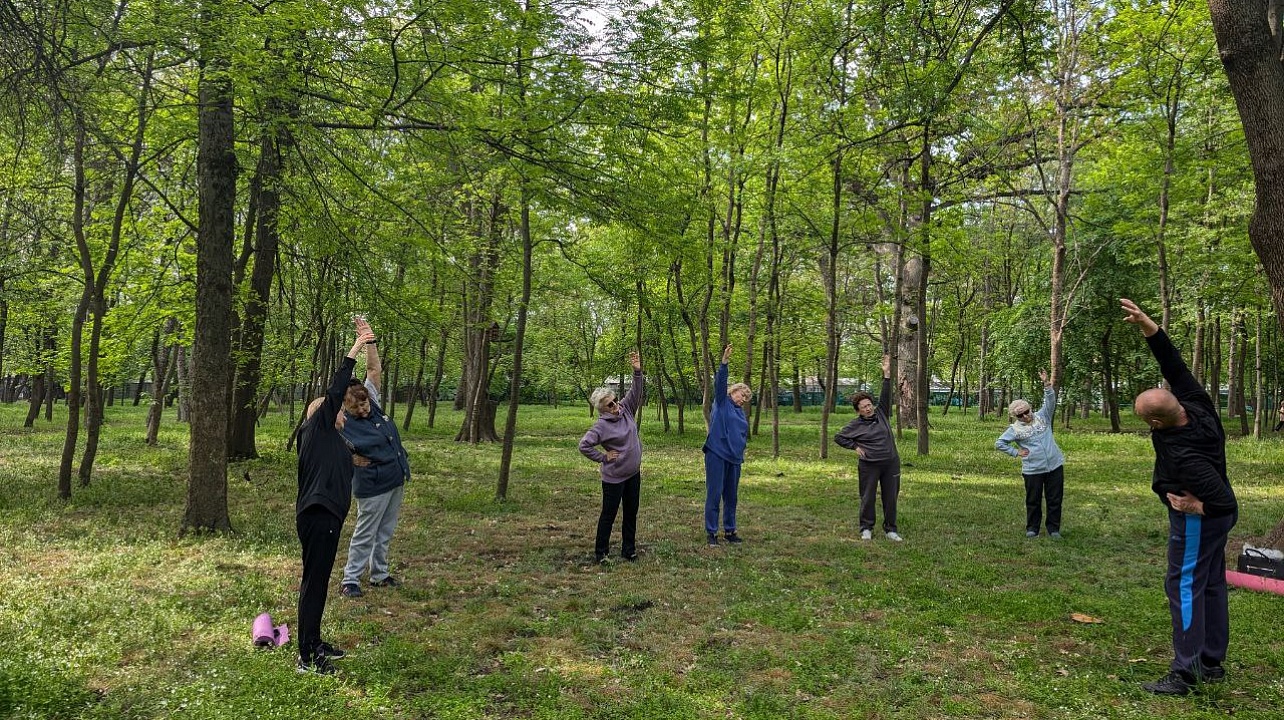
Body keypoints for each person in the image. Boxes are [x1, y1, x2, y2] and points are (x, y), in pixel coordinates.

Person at [1121, 298, 1239, 696]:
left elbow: (1225, 502)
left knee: (1184, 584)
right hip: (1208, 518)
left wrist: (1198, 506)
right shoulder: (1199, 405)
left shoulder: (1184, 455)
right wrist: (1149, 327)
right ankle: (1210, 661)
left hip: (1198, 519)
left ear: (1156, 421)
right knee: (1210, 584)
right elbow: (1175, 367)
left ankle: (1184, 672)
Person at [295, 325, 375, 675]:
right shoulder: (318, 427)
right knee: (314, 584)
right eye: (336, 410)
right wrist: (357, 346)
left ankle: (313, 642)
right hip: (319, 514)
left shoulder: (325, 440)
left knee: (318, 582)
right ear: (324, 415)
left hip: (323, 516)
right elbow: (336, 388)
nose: (343, 412)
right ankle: (307, 656)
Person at [340, 317, 412, 598]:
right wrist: (349, 460)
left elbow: (374, 369)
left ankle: (379, 574)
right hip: (371, 485)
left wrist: (369, 340)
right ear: (344, 404)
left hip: (394, 477)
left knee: (386, 530)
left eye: (365, 401)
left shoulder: (373, 403)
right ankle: (350, 580)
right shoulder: (339, 419)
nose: (363, 407)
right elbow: (320, 437)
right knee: (365, 531)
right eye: (356, 405)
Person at [578, 351, 645, 563]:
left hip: (633, 474)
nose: (615, 406)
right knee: (609, 515)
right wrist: (603, 457)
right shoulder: (601, 427)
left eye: (615, 400)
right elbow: (584, 445)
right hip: (614, 478)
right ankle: (601, 553)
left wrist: (637, 371)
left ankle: (629, 549)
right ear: (602, 409)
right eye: (610, 404)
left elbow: (636, 391)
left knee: (631, 513)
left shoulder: (626, 410)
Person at [834, 354, 903, 541]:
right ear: (858, 410)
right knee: (867, 497)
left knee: (890, 498)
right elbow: (838, 437)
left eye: (869, 404)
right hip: (869, 465)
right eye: (864, 407)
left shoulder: (881, 413)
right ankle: (866, 528)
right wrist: (854, 446)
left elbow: (886, 394)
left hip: (890, 463)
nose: (868, 408)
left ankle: (891, 529)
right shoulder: (855, 425)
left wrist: (887, 374)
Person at [995, 370, 1065, 538]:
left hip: (1055, 465)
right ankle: (1032, 528)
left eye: (1027, 411)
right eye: (1021, 415)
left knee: (1054, 499)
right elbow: (999, 443)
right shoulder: (1015, 429)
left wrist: (1046, 383)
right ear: (1015, 416)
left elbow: (1050, 401)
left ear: (1030, 408)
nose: (1026, 416)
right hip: (1033, 470)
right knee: (1033, 501)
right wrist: (1015, 452)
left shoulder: (1043, 417)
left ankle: (1053, 529)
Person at [703, 344, 752, 546]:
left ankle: (730, 531)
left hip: (734, 458)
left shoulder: (740, 412)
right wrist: (724, 362)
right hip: (716, 453)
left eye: (747, 397)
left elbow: (740, 434)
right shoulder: (722, 403)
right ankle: (712, 532)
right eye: (742, 394)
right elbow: (720, 382)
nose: (744, 398)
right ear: (733, 392)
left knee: (731, 496)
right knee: (714, 494)